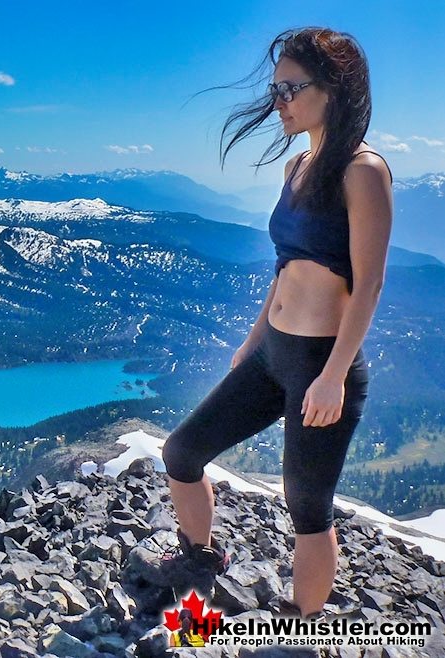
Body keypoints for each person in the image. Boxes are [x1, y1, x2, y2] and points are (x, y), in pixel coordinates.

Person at [160, 26, 394, 619]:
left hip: (321, 363)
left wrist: (334, 376)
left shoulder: (363, 171)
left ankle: (305, 628)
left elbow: (368, 283)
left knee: (307, 505)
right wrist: (254, 338)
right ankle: (200, 559)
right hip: (272, 355)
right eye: (275, 89)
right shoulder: (297, 166)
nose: (278, 101)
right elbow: (286, 266)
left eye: (291, 88)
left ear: (335, 89)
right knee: (182, 452)